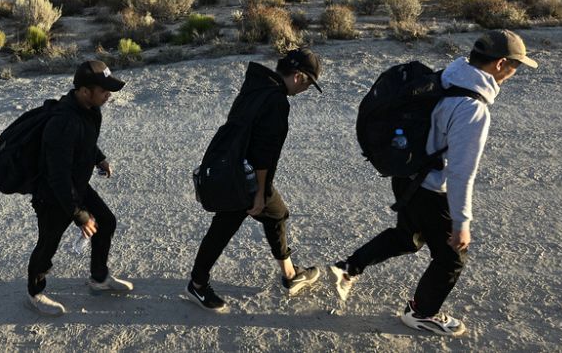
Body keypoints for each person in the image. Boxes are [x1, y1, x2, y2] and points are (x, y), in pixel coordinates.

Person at [329, 30, 538, 337]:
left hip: (406, 175)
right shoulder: (472, 108)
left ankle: (349, 266)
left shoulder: (449, 77)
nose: (514, 73)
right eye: (515, 66)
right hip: (429, 188)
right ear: (500, 64)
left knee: (407, 237)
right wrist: (461, 221)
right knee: (451, 258)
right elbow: (461, 172)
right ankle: (422, 313)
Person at [186, 49, 324, 313]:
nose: (306, 90)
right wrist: (260, 192)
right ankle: (198, 284)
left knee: (273, 215)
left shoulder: (258, 84)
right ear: (298, 77)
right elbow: (265, 154)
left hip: (229, 166)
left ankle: (290, 273)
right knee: (245, 221)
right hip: (244, 176)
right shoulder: (277, 102)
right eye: (308, 83)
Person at [26, 61, 132, 316]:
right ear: (85, 91)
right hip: (53, 195)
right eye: (104, 90)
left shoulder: (89, 109)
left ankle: (99, 277)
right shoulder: (63, 123)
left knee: (106, 222)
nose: (109, 94)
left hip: (77, 184)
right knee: (48, 244)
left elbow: (84, 142)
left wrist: (99, 158)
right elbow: (57, 175)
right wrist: (79, 214)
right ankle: (35, 292)